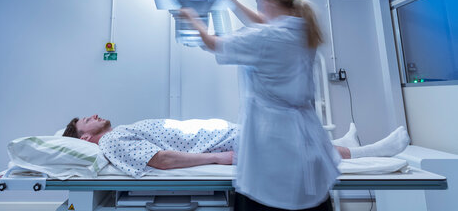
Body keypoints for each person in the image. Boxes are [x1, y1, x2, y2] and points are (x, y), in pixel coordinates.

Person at [179, 0, 339, 211]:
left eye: (258, 2)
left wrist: (190, 18)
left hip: (274, 150)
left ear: (267, 1)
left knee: (268, 200)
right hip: (306, 143)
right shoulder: (302, 30)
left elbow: (213, 43)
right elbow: (264, 25)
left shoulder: (267, 37)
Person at [62, 114, 410, 178]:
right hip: (222, 144)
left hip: (221, 136)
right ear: (85, 138)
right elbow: (162, 160)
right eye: (85, 121)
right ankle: (373, 152)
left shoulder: (114, 135)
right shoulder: (112, 140)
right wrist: (218, 157)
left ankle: (344, 145)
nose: (93, 115)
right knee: (295, 146)